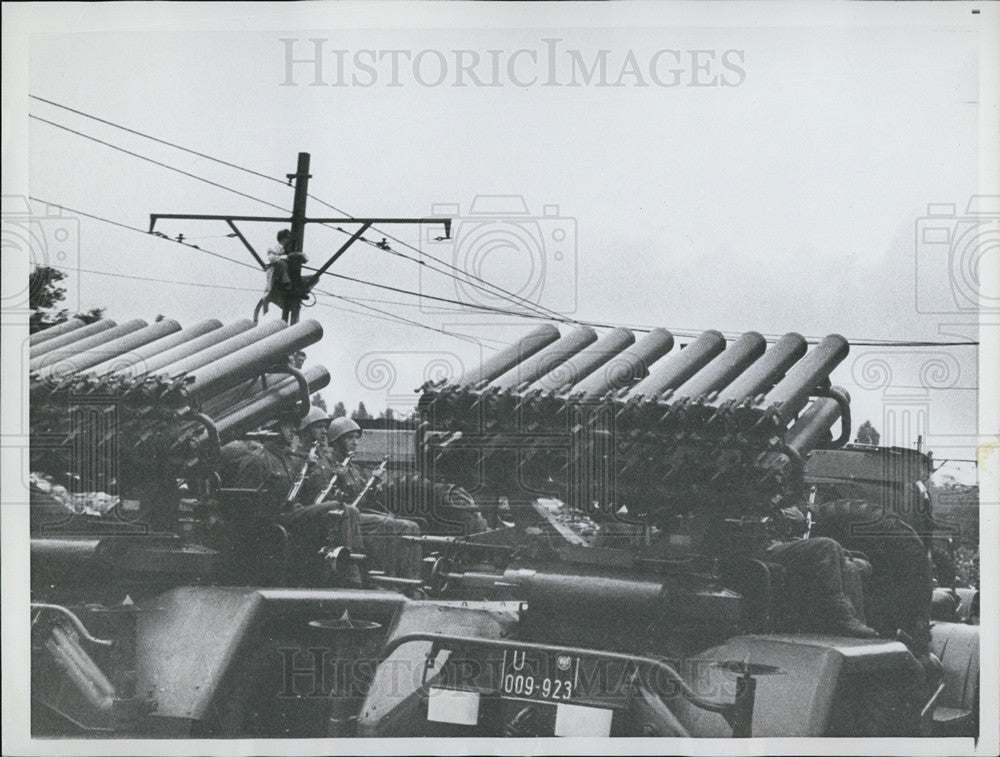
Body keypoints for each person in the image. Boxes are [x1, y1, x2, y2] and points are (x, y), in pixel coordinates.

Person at [217, 407, 363, 585]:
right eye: (287, 426)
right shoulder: (258, 459)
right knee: (338, 508)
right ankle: (350, 575)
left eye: (294, 425)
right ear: (274, 428)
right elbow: (240, 504)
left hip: (288, 514)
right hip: (271, 521)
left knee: (343, 510)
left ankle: (347, 571)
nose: (294, 430)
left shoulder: (284, 458)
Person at [763, 505, 878, 638]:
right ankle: (840, 615)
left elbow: (794, 528)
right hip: (760, 546)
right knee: (826, 546)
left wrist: (799, 520)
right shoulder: (749, 492)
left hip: (780, 543)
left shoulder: (777, 498)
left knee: (851, 567)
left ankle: (856, 624)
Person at [254, 229, 309, 324]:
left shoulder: (292, 248)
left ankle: (301, 288)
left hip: (292, 275)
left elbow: (305, 258)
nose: (289, 240)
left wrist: (299, 255)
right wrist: (289, 256)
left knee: (311, 277)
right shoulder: (274, 248)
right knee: (281, 263)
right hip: (278, 275)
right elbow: (272, 259)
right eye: (288, 237)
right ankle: (287, 284)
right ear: (283, 238)